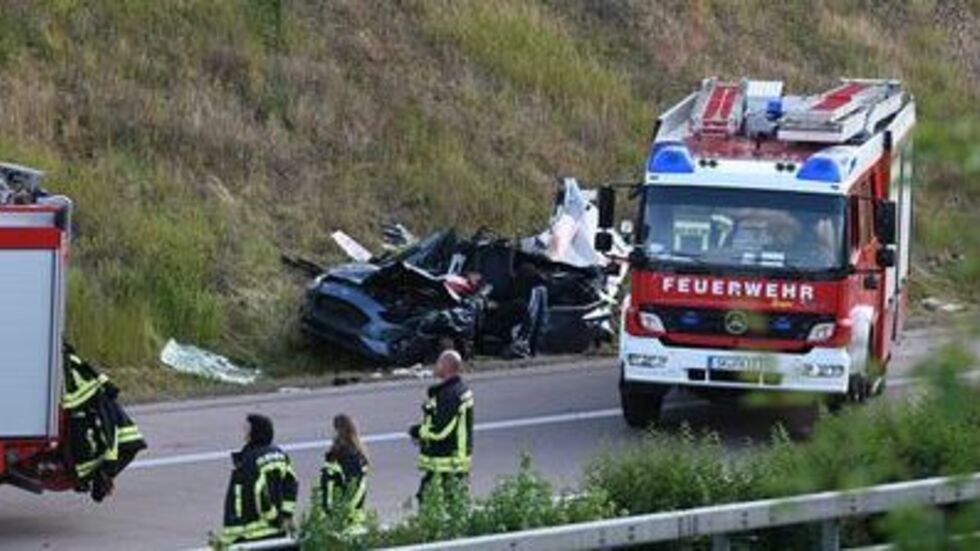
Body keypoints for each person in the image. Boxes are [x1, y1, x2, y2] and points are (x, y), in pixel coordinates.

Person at [219, 414, 298, 545]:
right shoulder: (279, 454)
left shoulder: (250, 459)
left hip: (251, 533)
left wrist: (273, 518)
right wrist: (286, 515)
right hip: (275, 531)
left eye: (247, 429)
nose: (244, 434)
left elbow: (258, 492)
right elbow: (291, 484)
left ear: (255, 432)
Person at [409, 349, 474, 502]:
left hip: (448, 461)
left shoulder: (450, 395)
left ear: (446, 366)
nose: (435, 366)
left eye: (438, 363)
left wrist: (418, 431)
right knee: (433, 498)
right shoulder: (456, 390)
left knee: (435, 500)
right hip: (450, 461)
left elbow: (441, 430)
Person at [320, 414, 370, 530]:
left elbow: (354, 487)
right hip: (348, 516)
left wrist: (339, 513)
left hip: (345, 519)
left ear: (339, 431)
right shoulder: (351, 453)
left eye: (334, 430)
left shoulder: (347, 455)